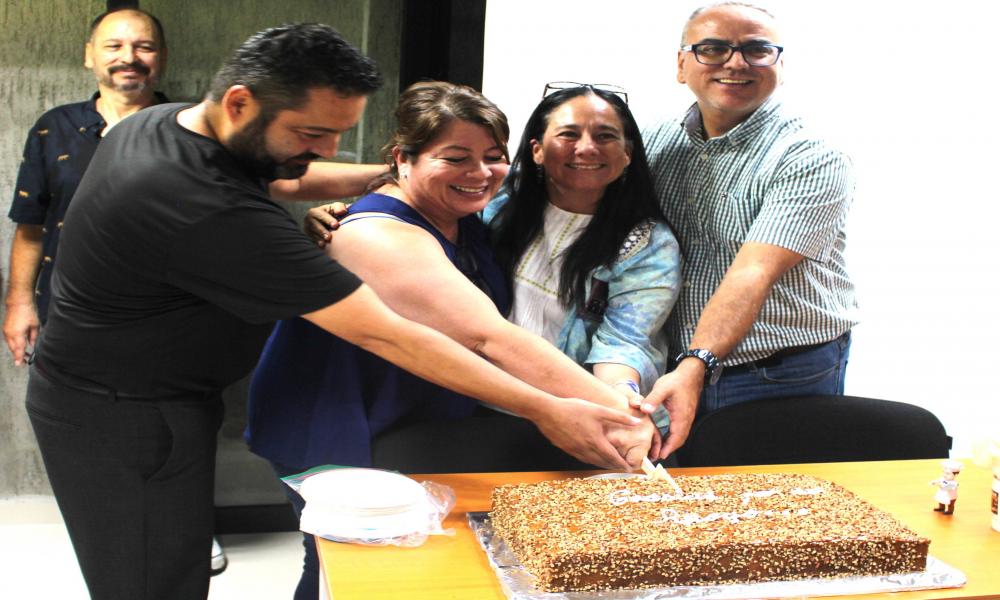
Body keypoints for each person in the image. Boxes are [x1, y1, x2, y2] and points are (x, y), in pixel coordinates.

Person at [26, 25, 645, 600]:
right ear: (239, 104)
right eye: (311, 136)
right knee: (154, 580)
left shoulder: (162, 123)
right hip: (118, 411)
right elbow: (397, 336)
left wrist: (399, 175)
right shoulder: (212, 210)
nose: (325, 152)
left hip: (162, 394)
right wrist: (554, 408)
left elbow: (284, 180)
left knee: (184, 564)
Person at [249, 81, 659, 600]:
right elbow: (489, 337)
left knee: (420, 572)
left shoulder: (469, 215)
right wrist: (617, 416)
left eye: (493, 156)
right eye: (455, 157)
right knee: (346, 568)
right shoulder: (376, 233)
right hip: (335, 421)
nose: (479, 173)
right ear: (403, 159)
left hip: (413, 422)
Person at [639, 2, 858, 459]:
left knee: (766, 514)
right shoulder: (656, 140)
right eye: (713, 49)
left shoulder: (810, 155)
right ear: (682, 65)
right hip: (674, 367)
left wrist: (696, 364)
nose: (736, 63)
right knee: (677, 511)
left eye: (757, 50)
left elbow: (752, 272)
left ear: (779, 64)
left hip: (780, 372)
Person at [485, 82, 681, 404]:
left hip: (574, 409)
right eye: (569, 134)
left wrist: (622, 396)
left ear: (627, 153)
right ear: (537, 149)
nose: (588, 148)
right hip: (479, 397)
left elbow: (624, 342)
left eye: (605, 136)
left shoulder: (648, 244)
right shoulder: (499, 200)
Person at [4, 8, 169, 366]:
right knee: (67, 419)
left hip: (168, 324)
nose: (129, 57)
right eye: (114, 46)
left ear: (163, 57)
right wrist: (18, 303)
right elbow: (31, 226)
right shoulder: (53, 127)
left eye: (144, 47)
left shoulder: (191, 128)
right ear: (89, 55)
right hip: (65, 320)